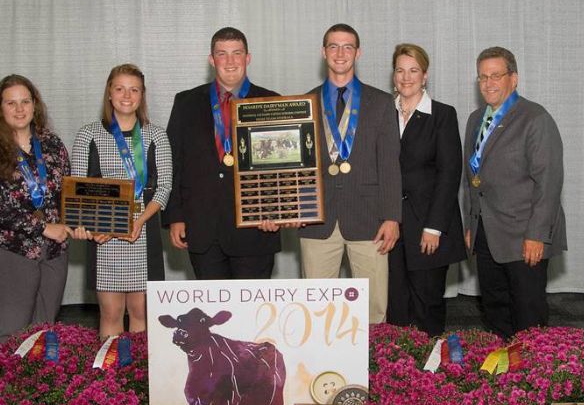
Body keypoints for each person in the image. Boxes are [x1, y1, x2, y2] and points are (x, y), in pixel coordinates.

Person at [298, 24, 402, 324]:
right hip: (316, 220)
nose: (340, 53)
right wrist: (296, 206)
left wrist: (392, 217)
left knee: (373, 309)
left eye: (347, 47)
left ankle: (376, 369)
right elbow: (298, 166)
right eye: (333, 46)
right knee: (315, 311)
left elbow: (390, 164)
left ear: (358, 53)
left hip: (371, 220)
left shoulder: (382, 103)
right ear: (323, 52)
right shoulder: (304, 102)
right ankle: (318, 366)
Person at [463, 46, 567, 338]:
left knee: (527, 314)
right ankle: (502, 375)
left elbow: (549, 183)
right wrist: (471, 224)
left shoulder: (535, 118)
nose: (488, 83)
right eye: (482, 77)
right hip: (486, 234)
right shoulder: (475, 119)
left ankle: (533, 379)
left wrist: (537, 234)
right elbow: (471, 179)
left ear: (514, 78)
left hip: (524, 236)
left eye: (496, 75)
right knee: (495, 309)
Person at [164, 27, 281, 279]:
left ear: (247, 58)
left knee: (253, 313)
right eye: (222, 54)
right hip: (202, 228)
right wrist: (175, 216)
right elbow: (174, 163)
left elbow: (282, 167)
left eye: (236, 53)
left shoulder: (271, 102)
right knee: (213, 315)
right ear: (211, 59)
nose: (230, 61)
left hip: (256, 228)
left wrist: (276, 211)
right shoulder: (186, 102)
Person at [0, 74, 72, 341]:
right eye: (11, 103)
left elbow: (67, 193)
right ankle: (7, 383)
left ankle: (40, 382)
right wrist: (42, 227)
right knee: (13, 331)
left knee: (44, 331)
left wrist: (79, 222)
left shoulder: (52, 144)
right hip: (9, 249)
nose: (20, 109)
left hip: (53, 250)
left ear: (35, 105)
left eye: (25, 101)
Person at [71, 64, 172, 338]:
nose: (127, 95)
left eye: (134, 89)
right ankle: (110, 379)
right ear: (109, 93)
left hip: (143, 230)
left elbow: (163, 188)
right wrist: (92, 227)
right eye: (120, 88)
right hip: (104, 235)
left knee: (141, 313)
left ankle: (138, 377)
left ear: (142, 95)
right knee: (111, 313)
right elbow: (77, 191)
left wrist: (138, 221)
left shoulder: (157, 135)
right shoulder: (87, 135)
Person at [387, 44, 466, 336]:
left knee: (427, 303)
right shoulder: (382, 112)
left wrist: (434, 227)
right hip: (391, 225)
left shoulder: (442, 115)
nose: (406, 77)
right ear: (393, 74)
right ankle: (398, 371)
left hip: (428, 227)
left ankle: (428, 376)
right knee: (395, 304)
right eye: (400, 70)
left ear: (425, 75)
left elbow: (449, 174)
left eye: (413, 70)